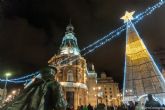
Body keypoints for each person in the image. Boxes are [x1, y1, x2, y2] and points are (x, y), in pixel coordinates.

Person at [2, 66, 67, 110]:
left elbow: (18, 102)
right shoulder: (54, 84)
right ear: (53, 74)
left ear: (42, 74)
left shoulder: (32, 85)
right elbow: (61, 106)